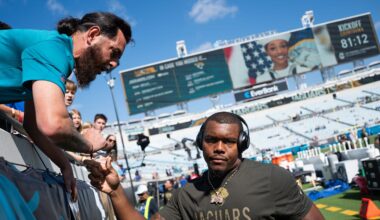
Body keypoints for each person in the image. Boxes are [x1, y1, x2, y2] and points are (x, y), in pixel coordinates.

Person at [85, 112, 324, 220]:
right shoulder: (186, 195)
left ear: (242, 144)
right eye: (211, 140)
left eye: (229, 141)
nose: (219, 147)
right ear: (201, 143)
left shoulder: (273, 178)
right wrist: (115, 191)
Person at [0, 12, 132, 200]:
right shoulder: (55, 49)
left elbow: (33, 125)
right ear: (93, 35)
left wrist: (64, 165)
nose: (114, 64)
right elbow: (53, 124)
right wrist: (89, 145)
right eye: (114, 53)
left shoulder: (54, 56)